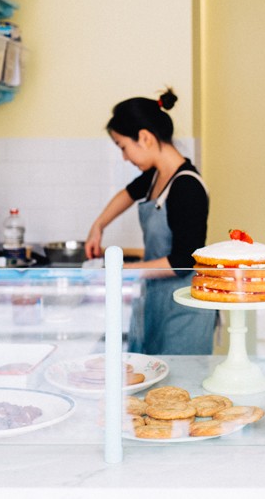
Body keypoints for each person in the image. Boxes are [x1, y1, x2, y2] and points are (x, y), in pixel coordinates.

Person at [85, 88, 217, 355]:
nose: (124, 156)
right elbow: (127, 194)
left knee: (179, 390)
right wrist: (98, 226)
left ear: (144, 138)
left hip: (185, 309)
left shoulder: (186, 186)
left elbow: (182, 262)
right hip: (156, 299)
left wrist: (121, 270)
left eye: (123, 147)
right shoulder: (156, 175)